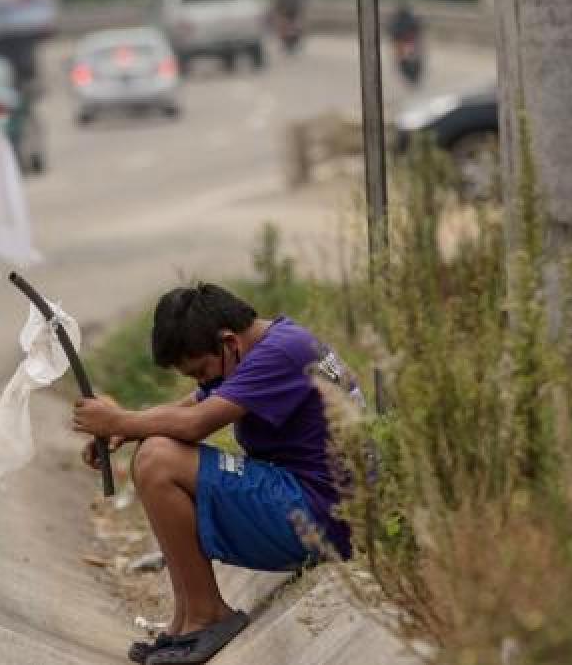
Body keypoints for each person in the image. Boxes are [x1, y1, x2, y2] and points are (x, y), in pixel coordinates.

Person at [73, 284, 358, 665]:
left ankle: (208, 616)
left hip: (323, 518)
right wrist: (126, 429)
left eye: (202, 372)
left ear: (229, 343)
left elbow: (194, 423)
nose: (203, 384)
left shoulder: (280, 354)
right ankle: (185, 621)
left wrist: (121, 419)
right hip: (315, 504)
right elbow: (189, 406)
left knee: (159, 459)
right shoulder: (270, 344)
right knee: (154, 448)